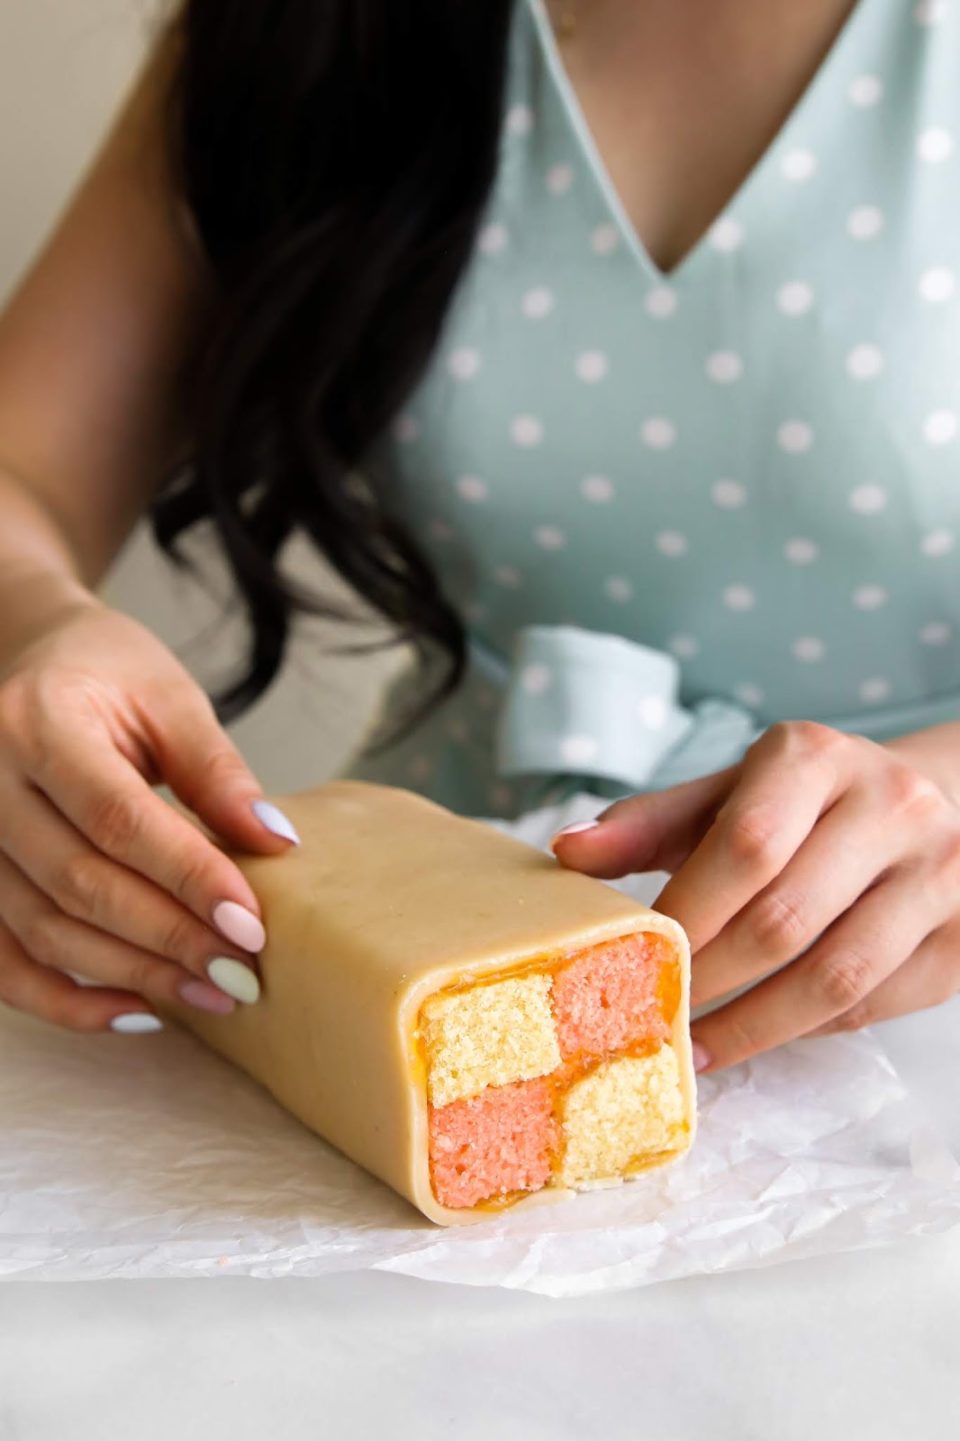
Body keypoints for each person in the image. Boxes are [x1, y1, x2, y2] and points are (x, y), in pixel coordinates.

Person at [0, 0, 958, 1072]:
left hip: (921, 1009)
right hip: (419, 973)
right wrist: (36, 623)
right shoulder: (296, 34)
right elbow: (21, 471)